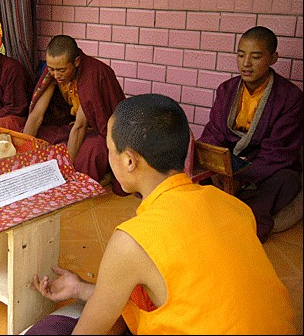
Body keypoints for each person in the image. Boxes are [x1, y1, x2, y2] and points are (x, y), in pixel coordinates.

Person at [27, 94, 296, 335]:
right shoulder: (233, 206)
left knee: (50, 328)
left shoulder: (131, 242)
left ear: (129, 161)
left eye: (110, 149)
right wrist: (79, 288)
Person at [199, 26, 303, 243]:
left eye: (255, 57)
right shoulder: (226, 89)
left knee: (287, 180)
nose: (246, 63)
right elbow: (214, 133)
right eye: (241, 55)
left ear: (273, 58)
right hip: (229, 162)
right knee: (191, 176)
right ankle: (225, 206)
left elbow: (279, 151)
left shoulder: (290, 97)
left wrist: (240, 180)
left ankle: (239, 216)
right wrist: (217, 166)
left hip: (264, 167)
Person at [22, 35, 127, 195]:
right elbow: (36, 116)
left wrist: (65, 171)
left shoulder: (93, 75)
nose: (56, 75)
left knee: (91, 152)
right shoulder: (54, 74)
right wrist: (23, 159)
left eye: (61, 70)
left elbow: (80, 126)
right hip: (71, 126)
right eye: (51, 69)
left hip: (99, 131)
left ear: (76, 62)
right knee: (43, 137)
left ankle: (81, 181)